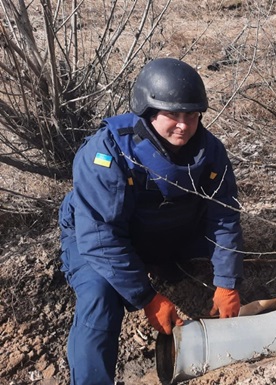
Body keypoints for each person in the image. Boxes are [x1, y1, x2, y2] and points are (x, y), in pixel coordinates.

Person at [58, 57, 244, 384]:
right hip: (97, 238)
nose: (184, 125)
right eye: (172, 115)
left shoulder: (210, 151)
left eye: (191, 114)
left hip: (166, 227)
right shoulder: (106, 153)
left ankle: (167, 264)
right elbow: (101, 238)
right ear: (148, 110)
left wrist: (227, 282)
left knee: (226, 256)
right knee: (100, 296)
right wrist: (147, 298)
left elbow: (224, 215)